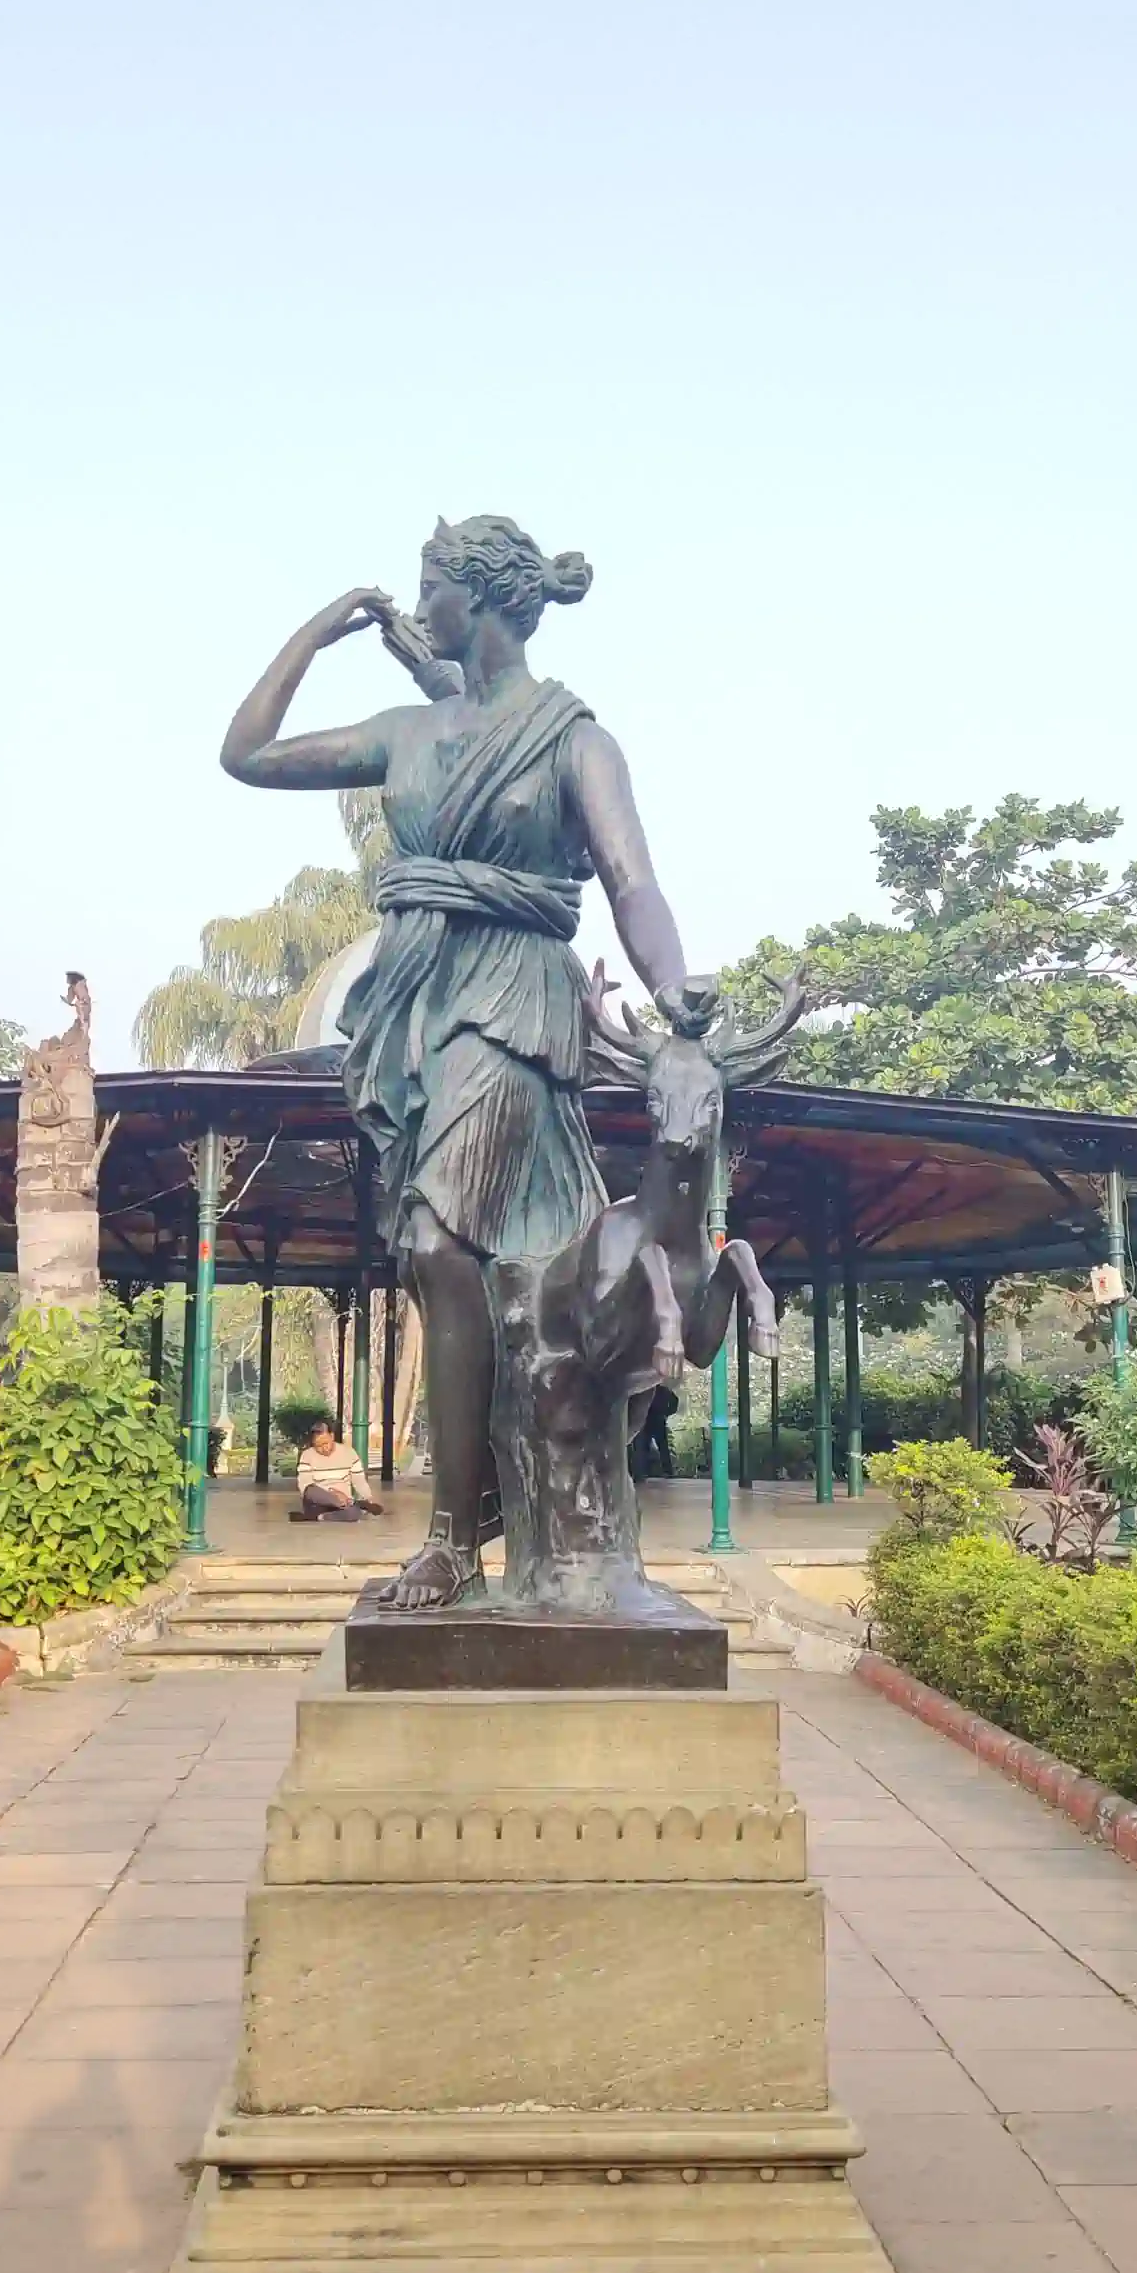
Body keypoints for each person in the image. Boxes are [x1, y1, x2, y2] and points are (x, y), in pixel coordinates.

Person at [222, 513, 710, 1609]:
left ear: (478, 595)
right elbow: (245, 755)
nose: (416, 602)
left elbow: (633, 883)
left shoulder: (577, 740)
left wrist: (675, 990)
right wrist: (319, 631)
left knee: (443, 1245)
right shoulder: (408, 730)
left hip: (511, 1004)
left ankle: (453, 1538)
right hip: (414, 1005)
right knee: (434, 1259)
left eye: (430, 583)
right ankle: (478, 1512)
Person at [293, 1419, 385, 1523]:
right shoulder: (307, 1455)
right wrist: (333, 1494)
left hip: (343, 1503)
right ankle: (355, 1503)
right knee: (310, 1490)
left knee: (354, 1514)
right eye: (318, 1446)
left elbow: (359, 1481)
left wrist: (368, 1497)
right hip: (319, 1502)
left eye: (325, 1443)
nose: (324, 1448)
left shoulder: (349, 1453)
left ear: (332, 1436)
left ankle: (319, 1517)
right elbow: (304, 1485)